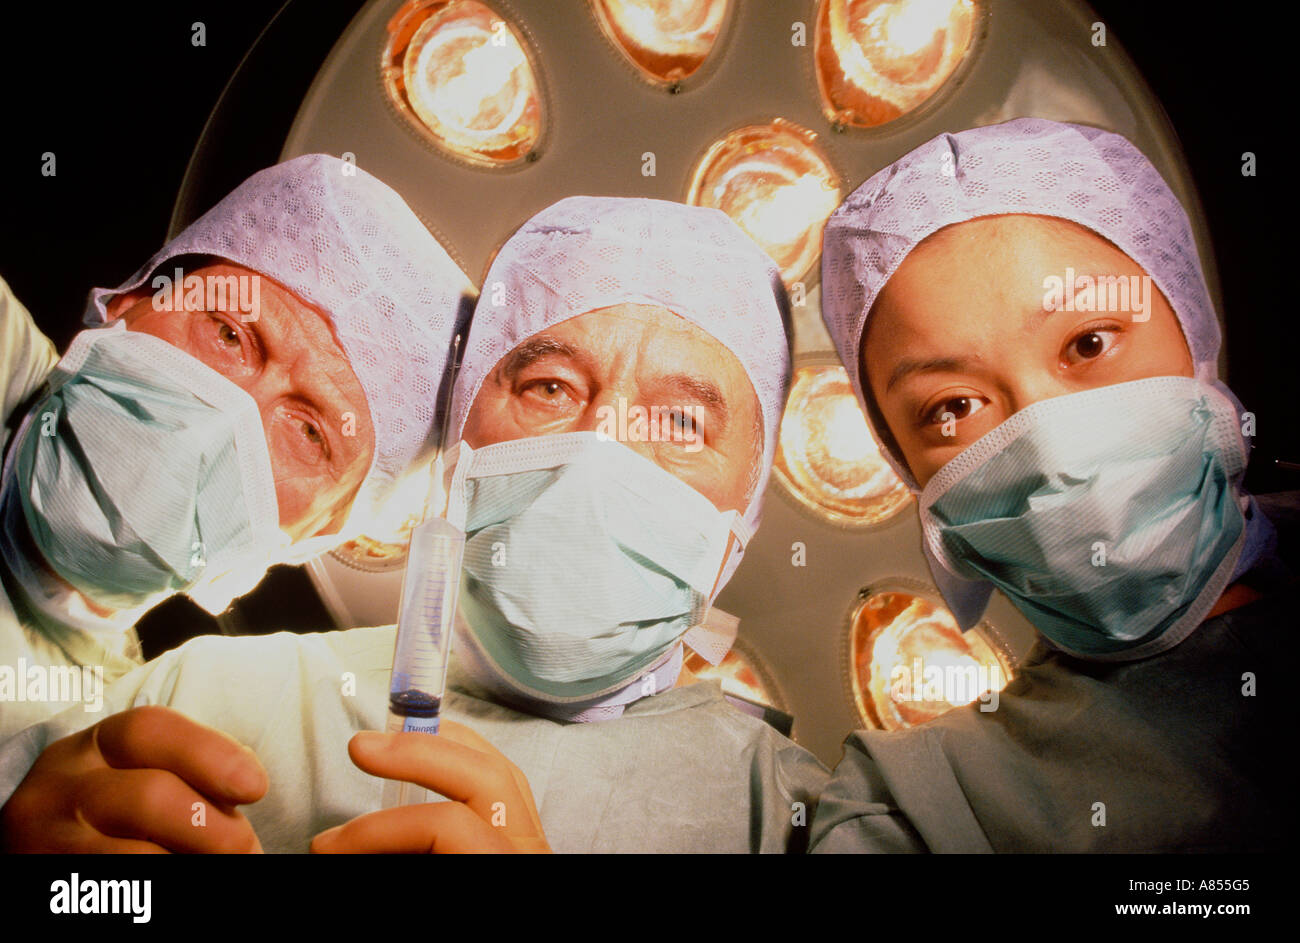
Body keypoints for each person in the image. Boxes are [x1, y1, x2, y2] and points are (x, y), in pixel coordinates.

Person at [0, 196, 828, 854]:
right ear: (460, 435)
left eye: (680, 424)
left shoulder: (795, 815)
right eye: (548, 388)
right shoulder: (203, 698)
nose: (599, 452)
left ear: (744, 512)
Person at [810, 117, 1294, 852]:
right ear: (908, 468)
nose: (1052, 446)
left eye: (1089, 342)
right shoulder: (924, 806)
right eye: (954, 407)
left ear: (1191, 327)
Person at [0, 154, 474, 740]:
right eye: (229, 335)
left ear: (323, 534)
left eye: (309, 432)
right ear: (132, 298)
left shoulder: (96, 745)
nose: (219, 419)